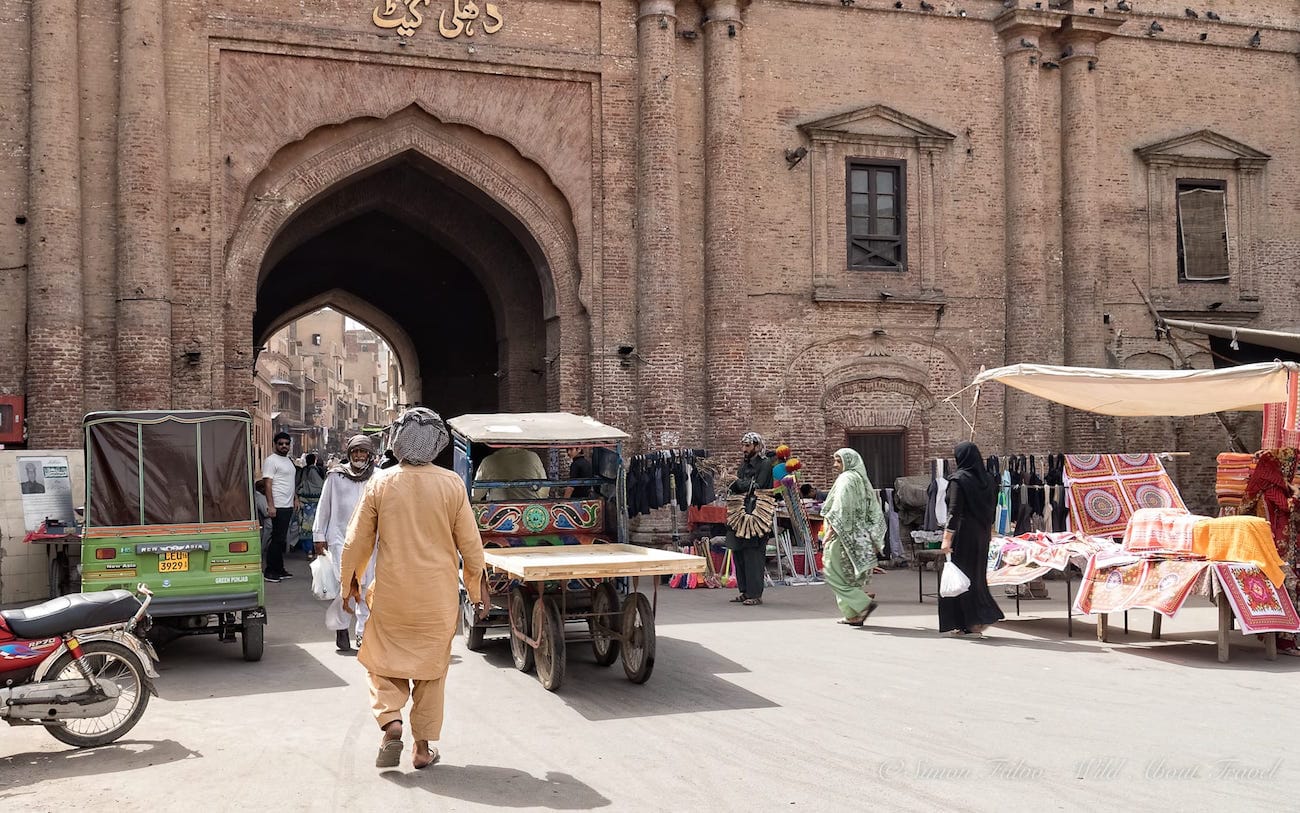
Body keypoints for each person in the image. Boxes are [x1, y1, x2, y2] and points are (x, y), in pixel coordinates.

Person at [341, 408, 486, 770]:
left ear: (396, 443)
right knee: (431, 672)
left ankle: (390, 719)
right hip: (438, 599)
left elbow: (356, 542)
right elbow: (471, 547)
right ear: (437, 445)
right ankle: (422, 749)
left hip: (392, 595)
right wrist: (476, 590)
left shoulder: (381, 483)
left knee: (380, 660)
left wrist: (350, 585)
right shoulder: (452, 483)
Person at [314, 435, 379, 653]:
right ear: (349, 454)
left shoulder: (379, 477)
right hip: (340, 538)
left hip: (371, 540)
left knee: (368, 586)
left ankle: (362, 633)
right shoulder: (336, 476)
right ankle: (341, 627)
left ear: (369, 455)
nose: (359, 456)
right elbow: (324, 507)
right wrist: (318, 536)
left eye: (363, 452)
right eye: (355, 452)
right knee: (348, 586)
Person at [938, 441, 1005, 638]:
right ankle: (976, 619)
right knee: (975, 577)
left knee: (960, 579)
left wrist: (946, 539)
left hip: (963, 535)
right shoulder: (989, 480)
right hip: (982, 535)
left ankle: (966, 622)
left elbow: (954, 511)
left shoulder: (959, 480)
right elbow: (992, 509)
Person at [820, 449, 886, 626]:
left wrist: (830, 531)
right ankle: (852, 615)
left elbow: (841, 507)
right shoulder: (859, 479)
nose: (835, 465)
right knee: (847, 577)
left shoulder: (846, 479)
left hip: (842, 536)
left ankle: (863, 603)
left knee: (832, 573)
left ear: (848, 462)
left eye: (838, 461)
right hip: (858, 536)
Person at [726, 431, 775, 606]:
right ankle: (744, 591)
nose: (744, 449)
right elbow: (741, 486)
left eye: (747, 445)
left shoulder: (765, 464)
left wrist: (737, 483)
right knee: (738, 551)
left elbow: (758, 486)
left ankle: (755, 593)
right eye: (743, 445)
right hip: (739, 511)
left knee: (753, 553)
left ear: (757, 446)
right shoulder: (743, 466)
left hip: (756, 512)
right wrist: (732, 483)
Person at [261, 432, 300, 582]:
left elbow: (290, 482)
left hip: (288, 504)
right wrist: (271, 505)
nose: (284, 446)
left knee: (281, 538)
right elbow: (268, 484)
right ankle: (270, 571)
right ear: (275, 445)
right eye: (280, 443)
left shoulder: (288, 461)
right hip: (278, 505)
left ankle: (280, 569)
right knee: (277, 539)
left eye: (286, 444)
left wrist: (295, 498)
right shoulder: (271, 461)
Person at [473, 446, 550, 501]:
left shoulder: (488, 461)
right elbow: (544, 490)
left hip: (499, 514)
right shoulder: (533, 457)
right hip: (530, 512)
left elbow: (475, 495)